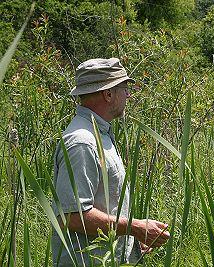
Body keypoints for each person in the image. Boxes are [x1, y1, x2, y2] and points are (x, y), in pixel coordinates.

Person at [52, 58, 170, 266]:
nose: (128, 94)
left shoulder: (100, 134)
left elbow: (103, 203)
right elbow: (71, 216)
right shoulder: (83, 142)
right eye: (124, 88)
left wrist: (131, 241)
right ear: (108, 94)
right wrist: (134, 227)